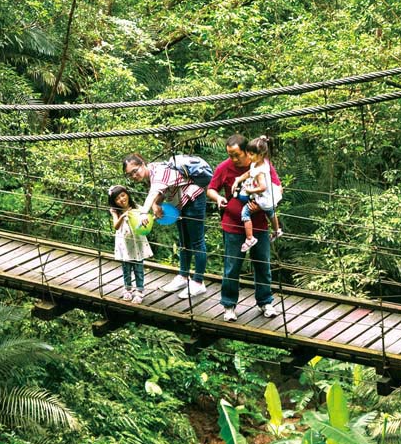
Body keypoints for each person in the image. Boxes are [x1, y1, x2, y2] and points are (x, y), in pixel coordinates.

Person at [207, 134, 281, 322]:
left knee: (262, 264)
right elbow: (211, 189)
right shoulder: (224, 168)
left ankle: (265, 301)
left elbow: (277, 188)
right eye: (230, 155)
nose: (233, 159)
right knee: (232, 267)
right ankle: (229, 305)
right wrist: (218, 198)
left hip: (259, 224)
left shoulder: (262, 166)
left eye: (237, 155)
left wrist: (265, 204)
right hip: (233, 225)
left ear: (247, 152)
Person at [122, 152, 208, 299]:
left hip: (194, 199)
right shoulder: (153, 171)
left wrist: (144, 212)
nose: (134, 176)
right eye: (129, 175)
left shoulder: (158, 172)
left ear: (142, 164)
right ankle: (183, 276)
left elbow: (154, 192)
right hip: (180, 203)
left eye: (135, 171)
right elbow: (162, 191)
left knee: (197, 241)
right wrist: (157, 204)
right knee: (184, 242)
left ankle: (199, 282)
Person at [231, 134, 283, 253]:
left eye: (252, 154)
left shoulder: (261, 170)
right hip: (269, 197)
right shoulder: (258, 163)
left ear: (261, 155)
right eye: (248, 153)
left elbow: (262, 187)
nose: (248, 156)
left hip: (263, 197)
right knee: (270, 212)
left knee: (245, 212)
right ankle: (277, 230)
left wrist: (250, 191)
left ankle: (250, 238)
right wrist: (238, 179)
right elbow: (250, 173)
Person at [107, 184, 153, 303]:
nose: (121, 199)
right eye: (117, 199)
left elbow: (146, 219)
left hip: (137, 242)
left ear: (127, 194)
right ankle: (127, 289)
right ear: (114, 202)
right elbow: (116, 226)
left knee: (138, 267)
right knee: (126, 268)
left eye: (123, 195)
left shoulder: (137, 207)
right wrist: (122, 216)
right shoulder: (116, 211)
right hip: (124, 244)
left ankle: (140, 291)